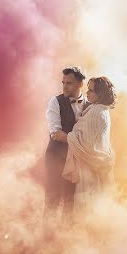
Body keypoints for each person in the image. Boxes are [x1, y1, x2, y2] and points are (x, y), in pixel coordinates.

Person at [61, 76, 116, 212]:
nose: (87, 93)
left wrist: (67, 137)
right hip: (94, 170)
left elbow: (88, 146)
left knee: (87, 209)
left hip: (89, 171)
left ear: (100, 93)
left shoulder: (97, 112)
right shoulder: (102, 110)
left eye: (91, 90)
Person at [44, 66, 88, 218]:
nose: (64, 86)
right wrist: (79, 142)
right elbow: (55, 133)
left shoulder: (89, 105)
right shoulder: (55, 102)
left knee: (71, 202)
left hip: (77, 161)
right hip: (56, 157)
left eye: (68, 83)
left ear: (80, 84)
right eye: (63, 82)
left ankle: (65, 239)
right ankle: (46, 236)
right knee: (52, 199)